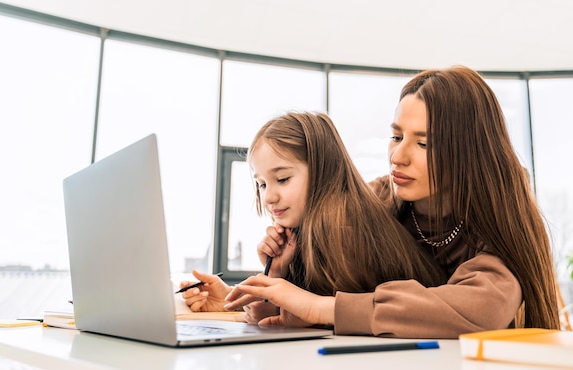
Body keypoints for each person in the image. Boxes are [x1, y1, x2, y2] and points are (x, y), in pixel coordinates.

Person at [223, 66, 561, 338]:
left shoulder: (499, 224)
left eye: (423, 143)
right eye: (397, 136)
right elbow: (308, 309)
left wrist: (321, 308)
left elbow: (484, 308)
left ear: (469, 153)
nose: (398, 156)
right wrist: (274, 281)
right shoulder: (376, 202)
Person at [181, 111, 446, 324]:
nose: (269, 197)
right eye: (262, 184)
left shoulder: (343, 225)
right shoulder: (304, 232)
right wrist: (243, 294)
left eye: (282, 179)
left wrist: (281, 310)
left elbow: (347, 311)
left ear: (322, 171)